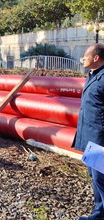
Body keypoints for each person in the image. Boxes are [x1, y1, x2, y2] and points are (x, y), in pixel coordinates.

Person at [74, 43, 104, 220]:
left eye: (86, 55)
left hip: (100, 137)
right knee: (95, 176)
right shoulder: (92, 76)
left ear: (96, 58)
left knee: (101, 178)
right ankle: (99, 214)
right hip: (90, 135)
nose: (83, 58)